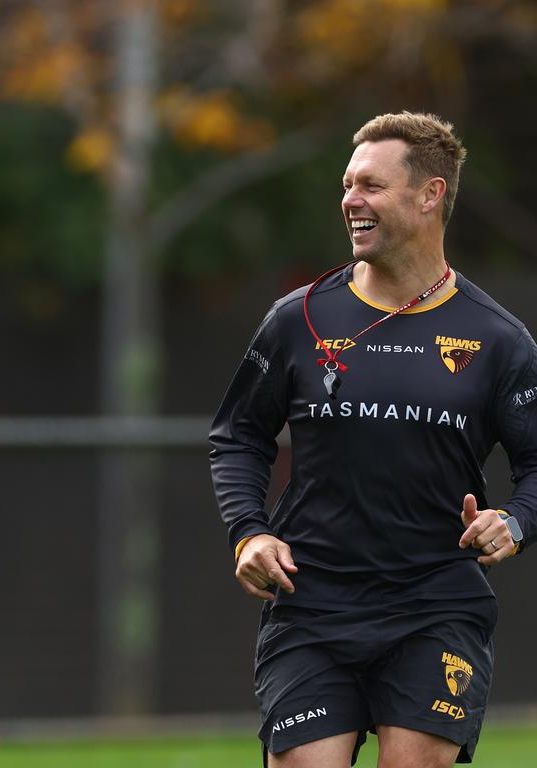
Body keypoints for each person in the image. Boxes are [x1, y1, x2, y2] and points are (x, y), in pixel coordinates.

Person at [209, 111, 537, 768]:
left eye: (370, 186)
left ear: (430, 194)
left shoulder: (497, 339)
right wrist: (250, 532)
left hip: (435, 603)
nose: (350, 200)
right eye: (347, 184)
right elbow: (239, 435)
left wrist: (516, 520)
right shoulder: (297, 318)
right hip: (313, 601)